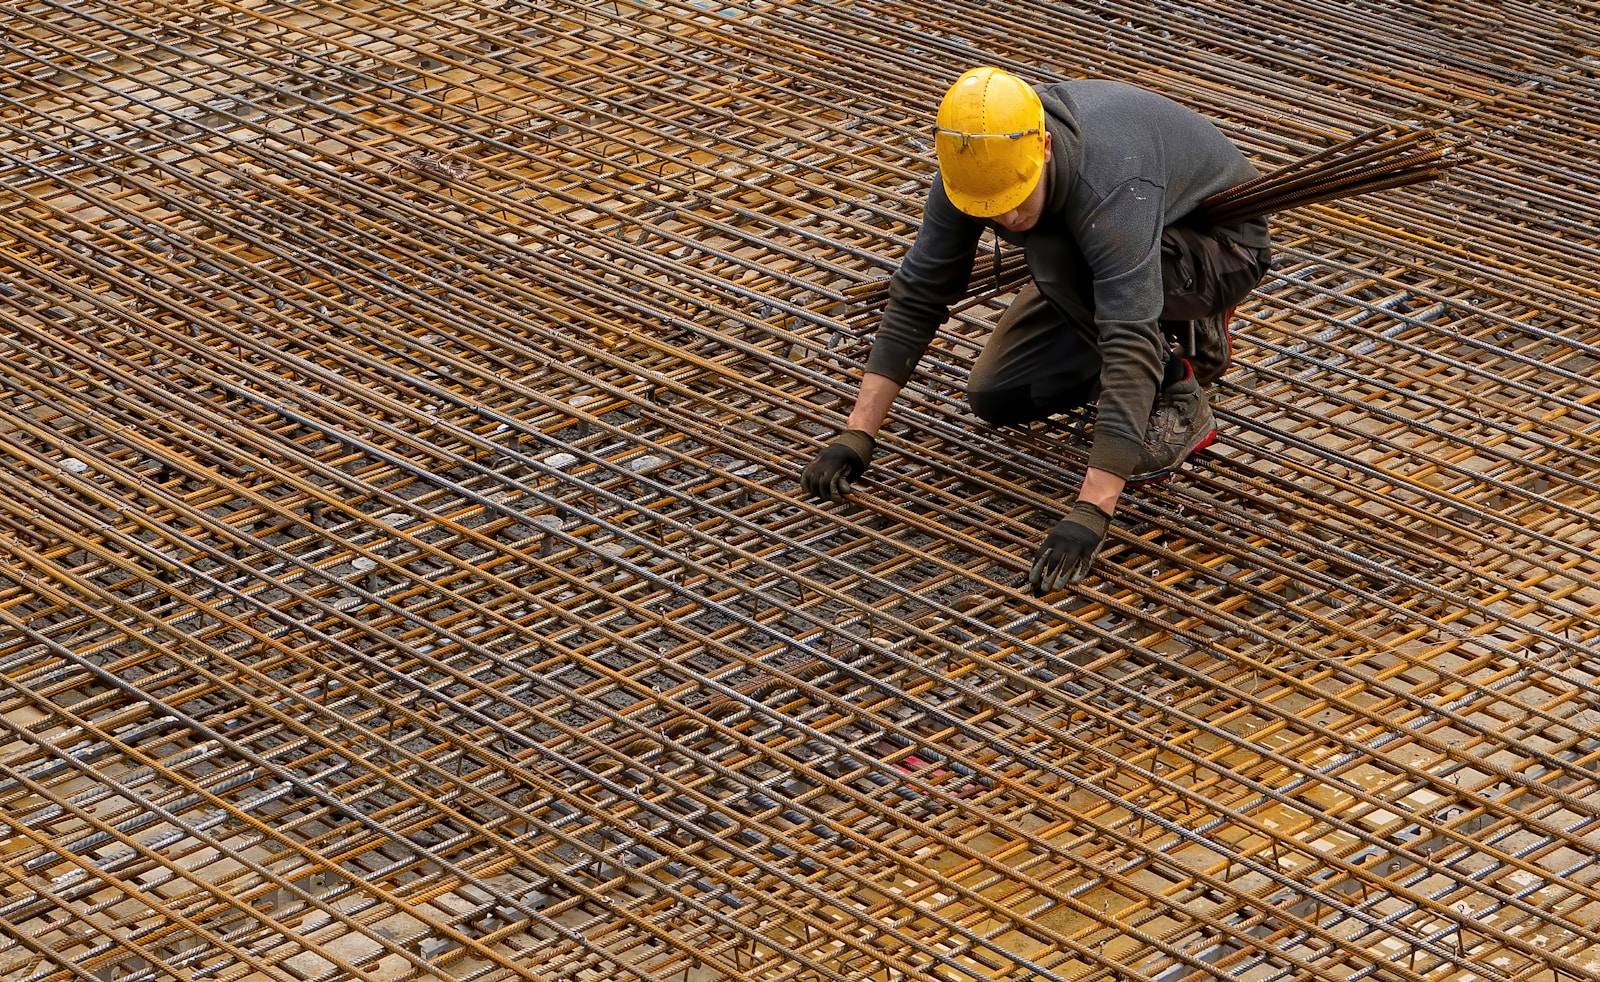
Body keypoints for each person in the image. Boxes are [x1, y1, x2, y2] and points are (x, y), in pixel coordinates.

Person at [801, 66, 1272, 593]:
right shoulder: (972, 165)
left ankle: (1179, 382)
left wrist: (1092, 509)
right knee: (998, 396)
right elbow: (919, 292)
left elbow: (1127, 337)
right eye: (991, 210)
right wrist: (857, 433)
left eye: (1014, 198)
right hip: (1100, 255)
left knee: (1052, 250)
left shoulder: (1110, 181)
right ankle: (1171, 332)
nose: (1005, 217)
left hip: (1217, 247)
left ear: (1044, 147)